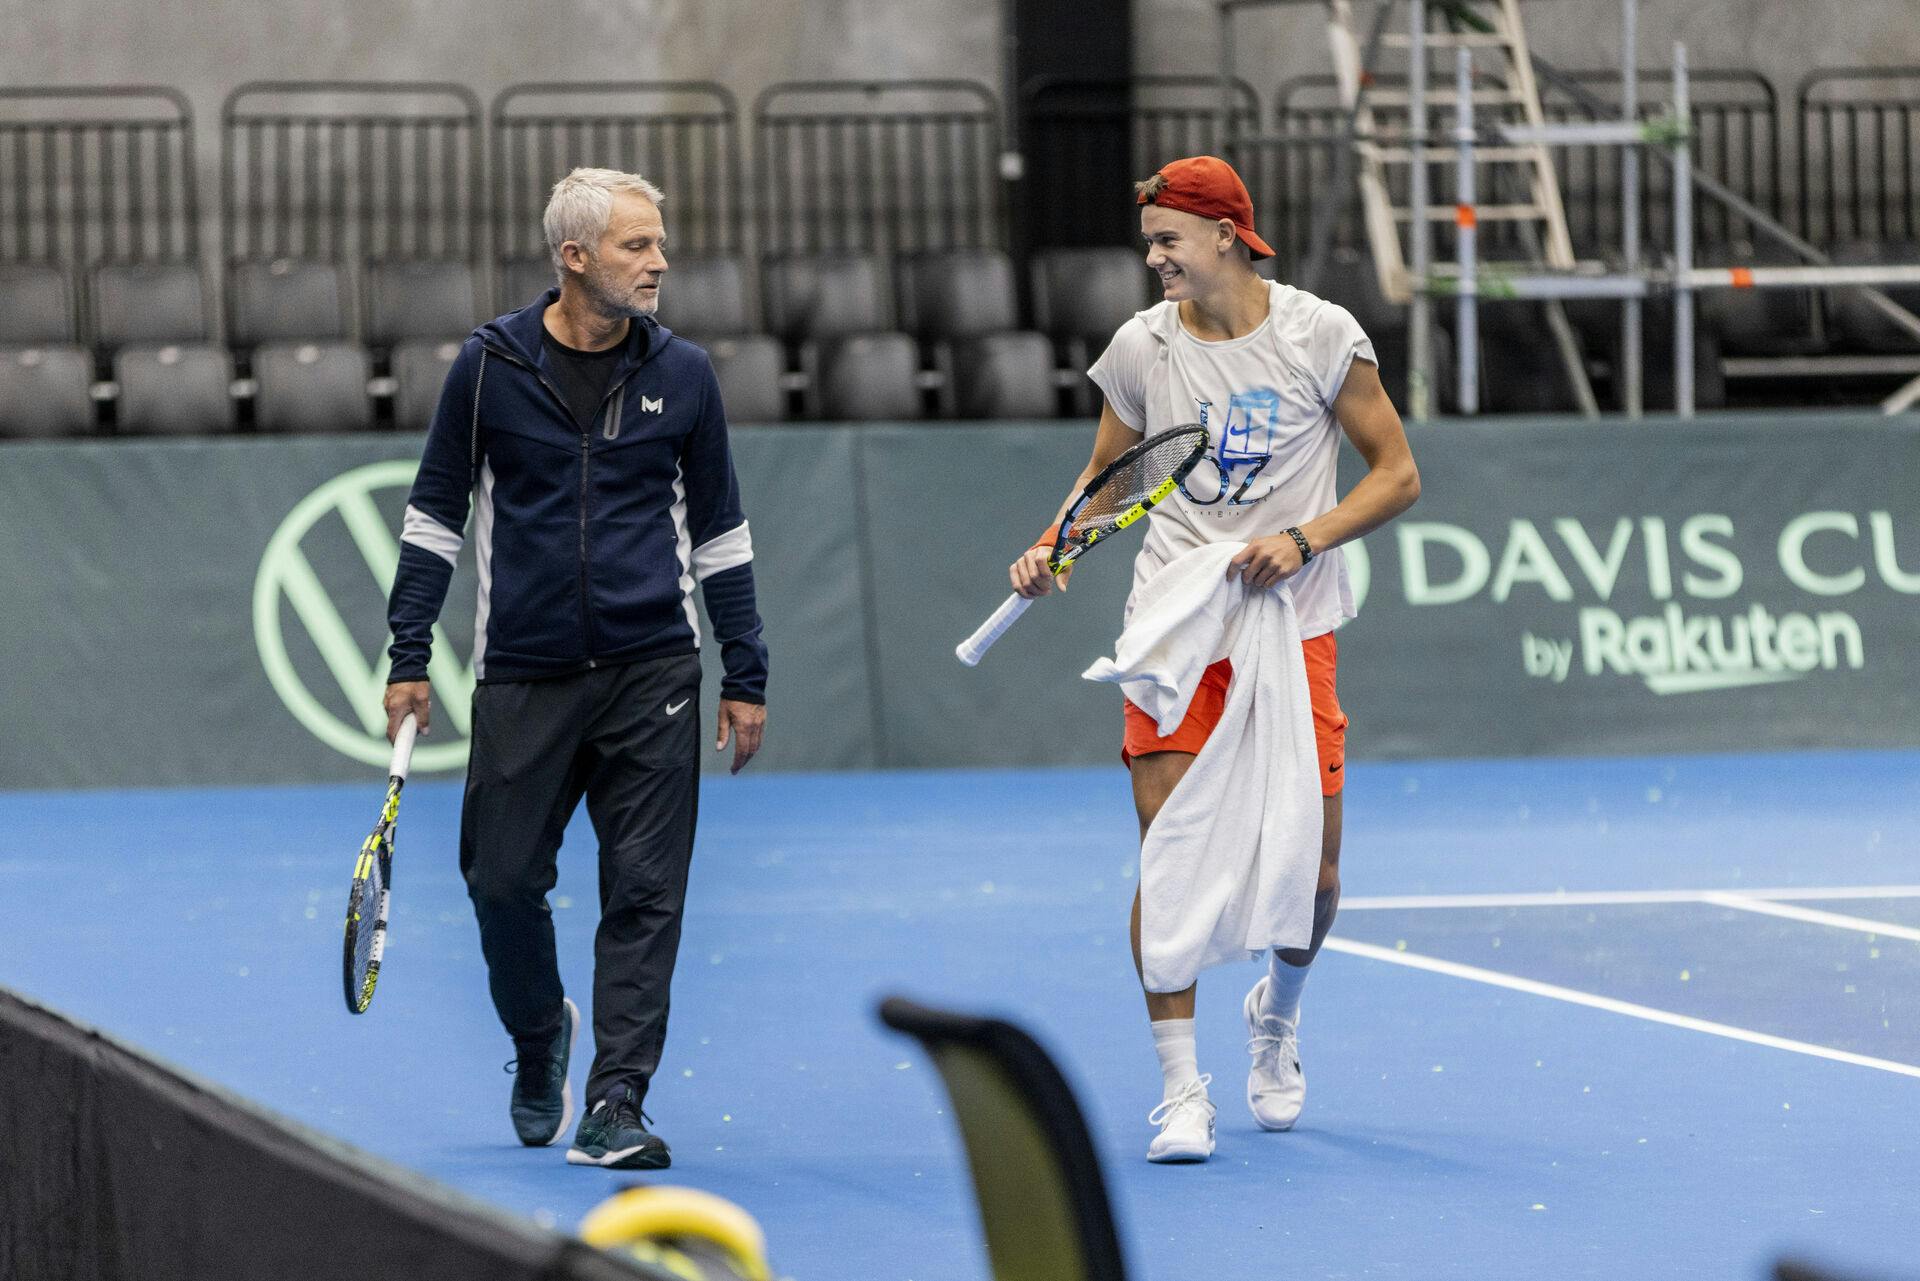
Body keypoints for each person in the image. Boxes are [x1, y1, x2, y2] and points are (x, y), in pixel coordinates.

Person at [1009, 155, 1419, 1163]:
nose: (1154, 259)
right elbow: (1109, 480)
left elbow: (1398, 476)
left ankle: (1275, 1017)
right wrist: (1053, 542)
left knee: (1315, 878)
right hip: (1173, 630)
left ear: (1226, 235)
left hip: (1290, 628)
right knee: (1174, 857)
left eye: (1168, 241)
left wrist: (1308, 539)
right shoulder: (1143, 348)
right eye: (1149, 243)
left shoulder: (1322, 335)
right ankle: (1181, 1087)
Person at [383, 167, 768, 1170]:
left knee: (646, 893)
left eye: (658, 244)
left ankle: (616, 1101)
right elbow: (434, 517)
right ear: (576, 256)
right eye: (638, 246)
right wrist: (408, 653)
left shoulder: (683, 373)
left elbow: (722, 530)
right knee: (500, 879)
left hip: (656, 671)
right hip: (524, 671)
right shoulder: (488, 366)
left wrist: (746, 669)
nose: (660, 263)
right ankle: (537, 1036)